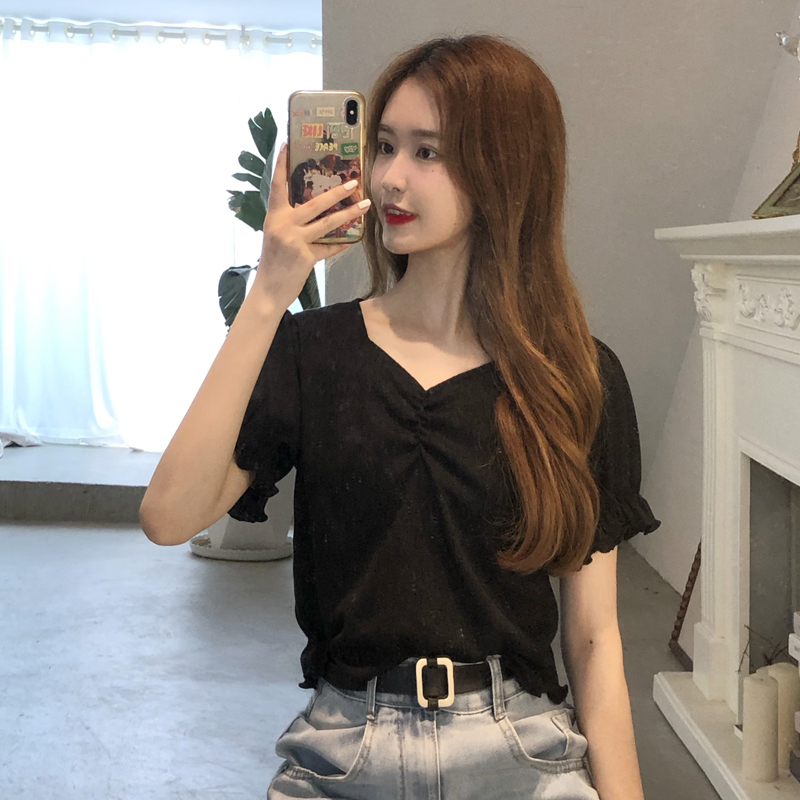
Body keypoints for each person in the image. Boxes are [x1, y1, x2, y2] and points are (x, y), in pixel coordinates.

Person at [140, 33, 661, 800]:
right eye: (384, 146)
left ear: (506, 169)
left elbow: (592, 638)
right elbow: (168, 516)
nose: (388, 176)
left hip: (523, 755)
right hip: (342, 753)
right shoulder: (314, 352)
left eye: (427, 152)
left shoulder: (575, 378)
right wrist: (270, 290)